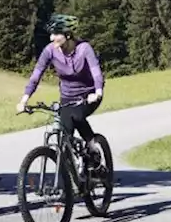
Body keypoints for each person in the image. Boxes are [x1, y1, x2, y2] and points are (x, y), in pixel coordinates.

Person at [17, 13, 105, 163]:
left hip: (89, 94)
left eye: (56, 34)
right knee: (65, 139)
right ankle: (70, 179)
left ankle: (92, 147)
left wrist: (97, 92)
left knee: (76, 116)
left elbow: (96, 72)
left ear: (68, 35)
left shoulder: (84, 49)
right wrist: (24, 100)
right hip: (67, 96)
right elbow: (36, 75)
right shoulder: (50, 50)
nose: (52, 38)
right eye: (51, 34)